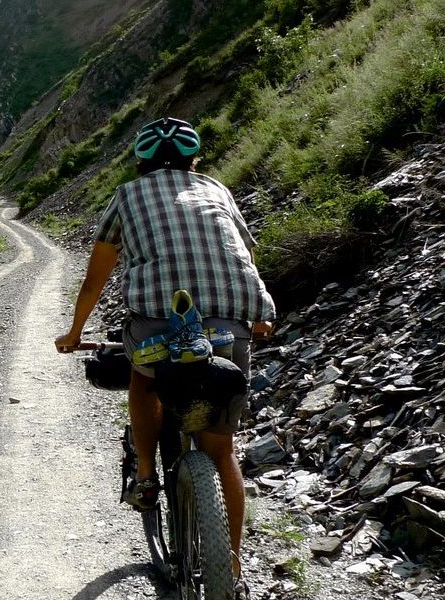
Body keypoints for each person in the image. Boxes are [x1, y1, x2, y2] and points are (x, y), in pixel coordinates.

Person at [54, 117, 276, 585]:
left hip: (157, 320)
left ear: (141, 161)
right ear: (194, 159)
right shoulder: (216, 189)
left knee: (143, 377)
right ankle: (231, 570)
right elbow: (244, 254)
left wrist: (74, 332)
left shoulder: (127, 195)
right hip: (229, 321)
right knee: (221, 451)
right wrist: (257, 315)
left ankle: (146, 475)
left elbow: (96, 277)